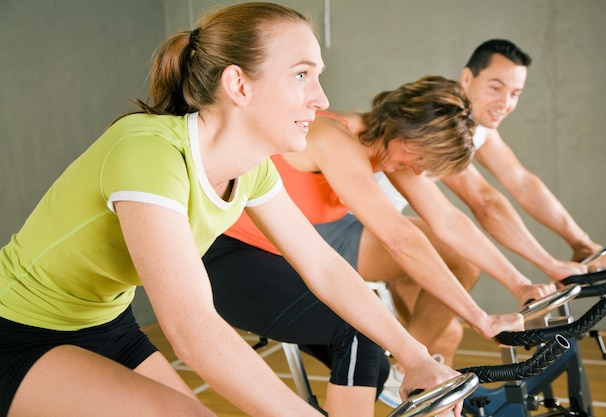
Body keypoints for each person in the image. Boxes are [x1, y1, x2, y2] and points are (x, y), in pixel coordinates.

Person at [0, 4, 463, 417]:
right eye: (302, 75)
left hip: (105, 322)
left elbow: (324, 266)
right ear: (239, 84)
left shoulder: (254, 170)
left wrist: (414, 354)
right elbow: (191, 326)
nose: (320, 98)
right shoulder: (148, 152)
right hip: (17, 329)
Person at [203, 75, 551, 413]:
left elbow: (448, 220)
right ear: (404, 127)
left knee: (373, 361)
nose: (415, 169)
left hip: (301, 249)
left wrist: (520, 286)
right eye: (418, 156)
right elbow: (398, 237)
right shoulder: (332, 136)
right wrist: (480, 319)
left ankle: (403, 371)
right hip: (236, 255)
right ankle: (409, 361)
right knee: (362, 332)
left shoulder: (389, 145)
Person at [375, 38, 606, 406]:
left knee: (448, 336)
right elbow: (484, 203)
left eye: (515, 93)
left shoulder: (480, 126)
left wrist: (580, 243)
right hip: (364, 230)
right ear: (467, 78)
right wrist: (547, 267)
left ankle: (427, 400)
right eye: (495, 87)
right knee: (460, 262)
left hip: (387, 227)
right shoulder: (445, 122)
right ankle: (401, 373)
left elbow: (521, 182)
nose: (505, 102)